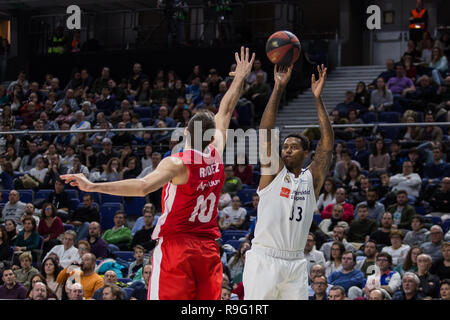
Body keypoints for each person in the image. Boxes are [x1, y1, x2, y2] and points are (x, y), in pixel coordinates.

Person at [61, 47, 256, 300]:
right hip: (208, 249)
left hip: (178, 247)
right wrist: (239, 78)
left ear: (185, 132)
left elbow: (142, 187)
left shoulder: (178, 163)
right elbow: (226, 111)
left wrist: (93, 186)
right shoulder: (217, 153)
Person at [242, 64, 333, 300]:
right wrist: (279, 87)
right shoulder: (273, 173)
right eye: (285, 147)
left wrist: (317, 98)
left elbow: (327, 144)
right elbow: (265, 131)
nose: (287, 150)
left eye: (294, 147)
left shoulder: (311, 179)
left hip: (295, 261)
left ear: (306, 153)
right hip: (264, 259)